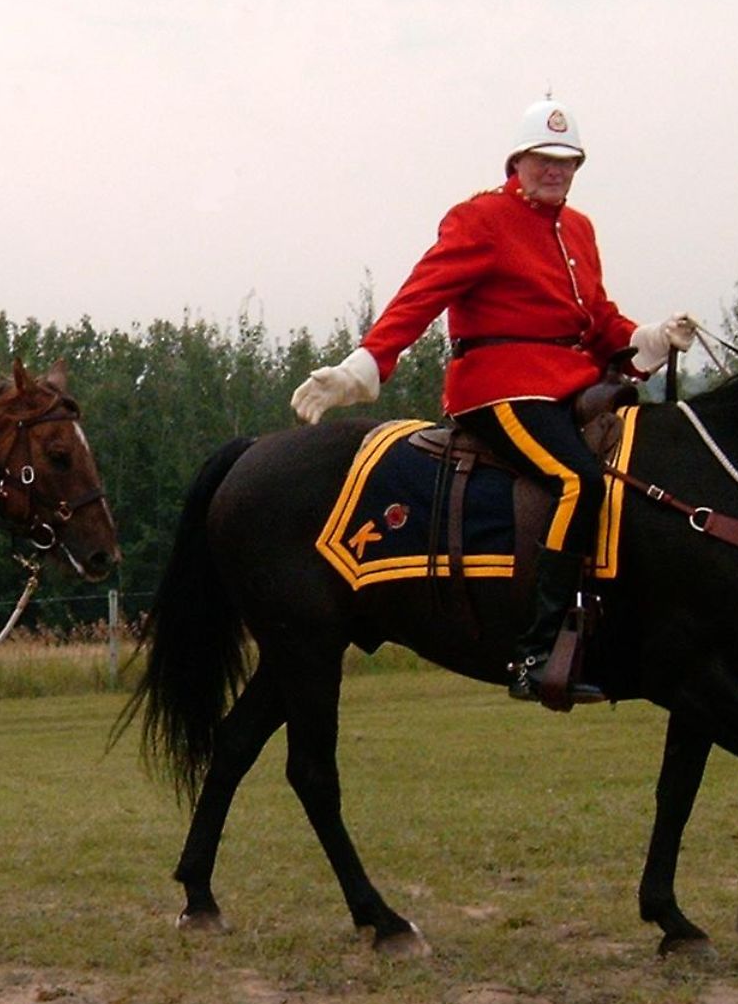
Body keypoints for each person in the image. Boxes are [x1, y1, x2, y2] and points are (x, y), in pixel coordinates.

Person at [290, 99, 694, 704]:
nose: (554, 171)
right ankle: (535, 652)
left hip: (571, 385)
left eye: (566, 162)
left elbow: (598, 320)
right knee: (578, 481)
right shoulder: (480, 218)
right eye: (543, 160)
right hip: (501, 387)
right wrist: (367, 364)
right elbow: (421, 295)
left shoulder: (579, 229)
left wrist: (652, 338)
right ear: (518, 162)